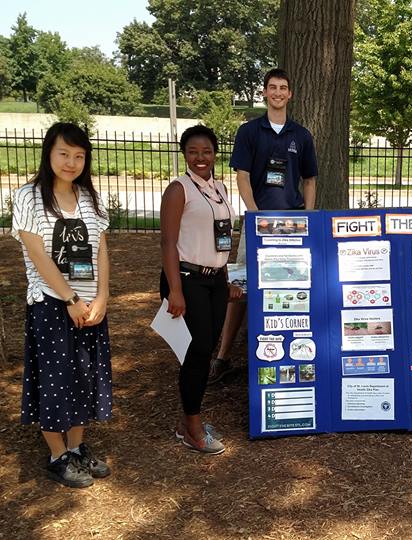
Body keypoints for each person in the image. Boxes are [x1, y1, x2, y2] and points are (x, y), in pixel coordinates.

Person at [12, 122, 112, 488]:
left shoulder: (88, 198)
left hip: (89, 306)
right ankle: (57, 455)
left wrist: (101, 296)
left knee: (84, 378)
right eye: (64, 153)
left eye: (79, 156)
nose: (71, 162)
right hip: (52, 304)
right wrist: (70, 298)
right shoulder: (29, 196)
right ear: (49, 154)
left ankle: (76, 447)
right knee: (55, 380)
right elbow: (37, 255)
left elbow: (101, 248)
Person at [211, 67, 319, 382]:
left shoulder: (301, 135)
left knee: (294, 287)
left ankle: (292, 351)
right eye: (272, 87)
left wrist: (308, 216)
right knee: (242, 289)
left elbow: (310, 179)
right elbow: (242, 176)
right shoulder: (249, 131)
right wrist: (255, 214)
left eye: (283, 88)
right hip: (258, 223)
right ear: (264, 93)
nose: (277, 93)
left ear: (290, 94)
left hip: (294, 224)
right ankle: (224, 356)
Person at [161, 124, 244, 454]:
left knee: (206, 349)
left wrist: (226, 283)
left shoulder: (220, 188)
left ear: (215, 154)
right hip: (187, 279)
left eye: (206, 151)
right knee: (196, 353)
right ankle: (191, 427)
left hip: (215, 280)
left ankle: (190, 419)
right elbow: (168, 242)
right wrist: (175, 290)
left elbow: (220, 238)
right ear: (184, 154)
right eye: (193, 151)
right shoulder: (178, 189)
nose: (200, 157)